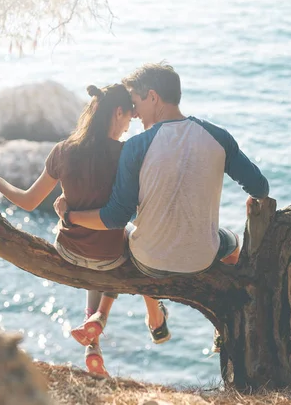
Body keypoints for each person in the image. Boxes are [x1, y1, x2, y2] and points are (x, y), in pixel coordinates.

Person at [54, 63, 270, 351]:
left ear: (153, 97)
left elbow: (117, 217)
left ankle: (135, 316)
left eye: (136, 102)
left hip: (149, 263)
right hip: (202, 260)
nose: (134, 112)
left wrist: (70, 215)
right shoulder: (218, 137)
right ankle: (227, 318)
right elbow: (260, 188)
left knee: (130, 238)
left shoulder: (136, 146)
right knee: (231, 244)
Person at [0, 83, 169, 377]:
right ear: (117, 112)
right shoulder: (126, 154)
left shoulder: (63, 150)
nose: (128, 125)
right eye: (128, 117)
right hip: (109, 256)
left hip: (69, 252)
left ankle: (93, 343)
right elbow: (141, 209)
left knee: (98, 254)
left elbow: (28, 201)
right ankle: (138, 318)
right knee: (125, 244)